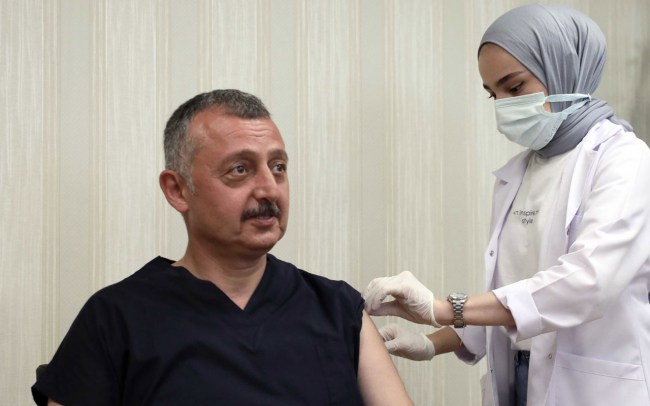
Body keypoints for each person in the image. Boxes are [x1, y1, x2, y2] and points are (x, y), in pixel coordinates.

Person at [32, 89, 413, 405]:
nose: (269, 189)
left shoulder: (338, 308)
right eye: (240, 169)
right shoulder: (116, 318)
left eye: (278, 167)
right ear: (178, 190)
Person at [363, 4, 650, 406]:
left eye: (513, 88)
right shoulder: (519, 173)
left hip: (591, 387)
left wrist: (444, 308)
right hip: (518, 376)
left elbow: (588, 283)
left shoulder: (624, 160)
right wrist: (431, 343)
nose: (502, 106)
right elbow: (513, 299)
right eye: (493, 94)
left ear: (563, 69)